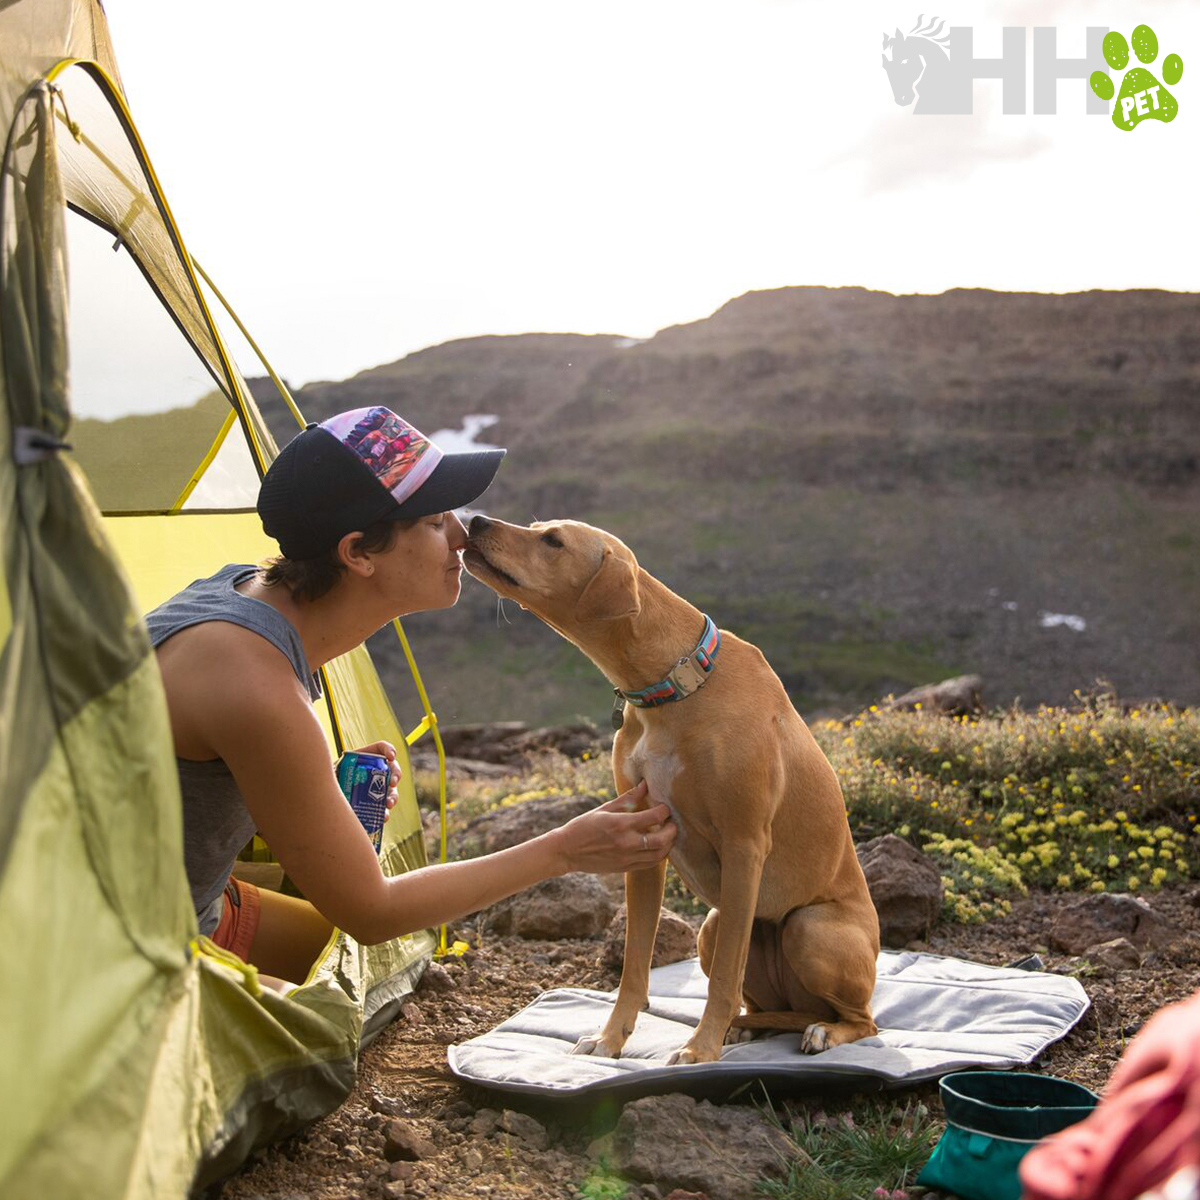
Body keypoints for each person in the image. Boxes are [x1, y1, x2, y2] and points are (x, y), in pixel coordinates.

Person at [146, 405, 675, 987]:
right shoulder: (253, 680)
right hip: (105, 951)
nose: (460, 534)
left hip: (180, 905)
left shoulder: (240, 594)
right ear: (357, 553)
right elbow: (371, 912)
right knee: (324, 1026)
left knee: (368, 973)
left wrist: (314, 785)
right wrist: (565, 850)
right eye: (433, 521)